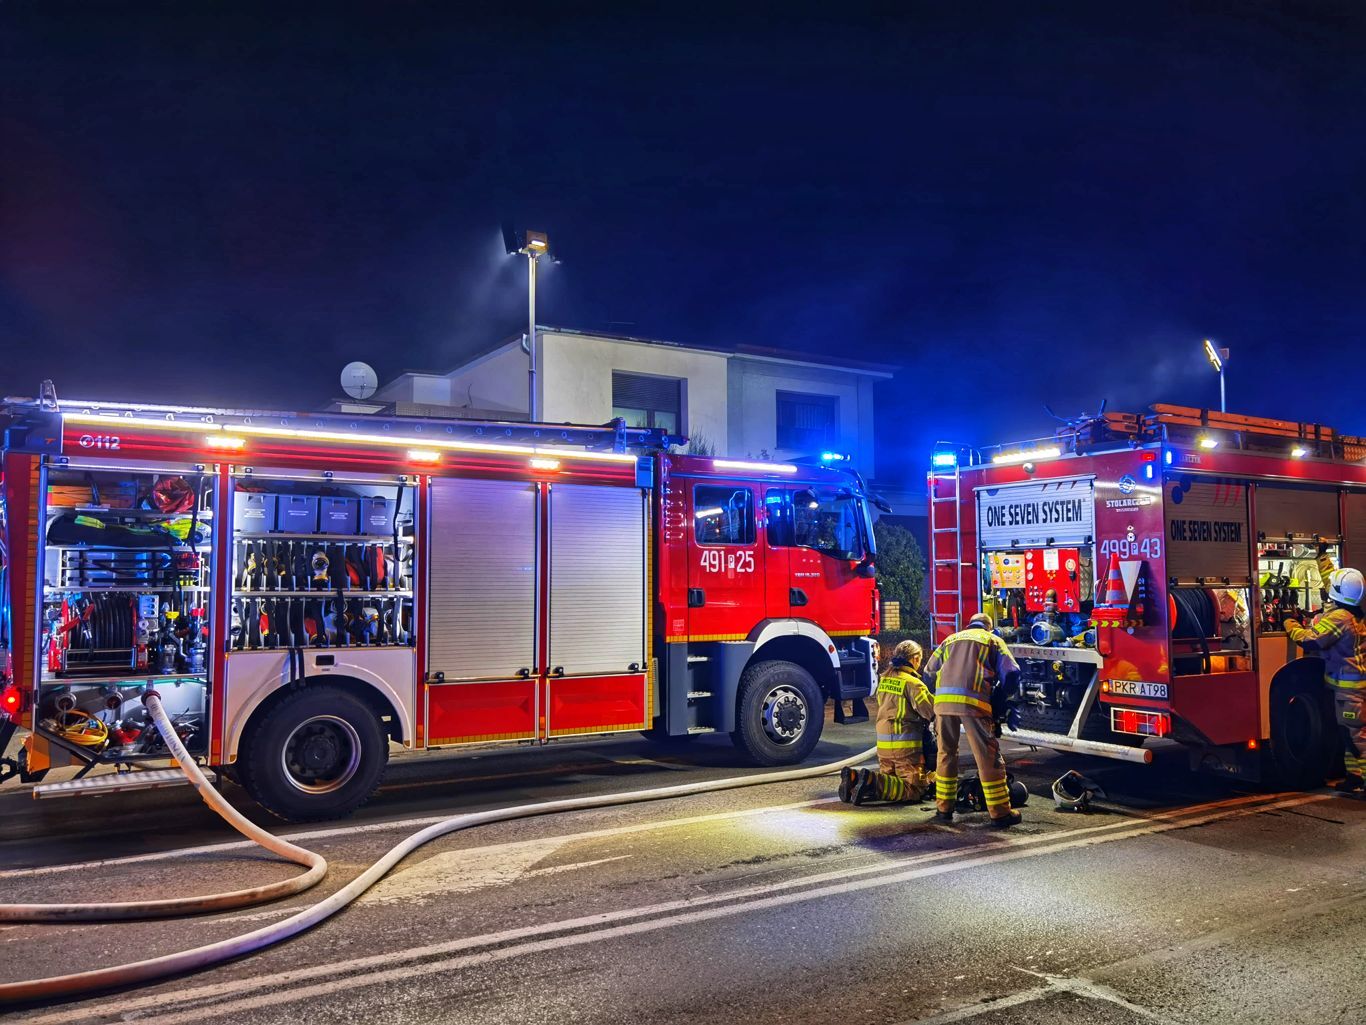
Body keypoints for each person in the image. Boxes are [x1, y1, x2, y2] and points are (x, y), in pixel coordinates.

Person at [925, 612, 1023, 827]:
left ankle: (944, 809)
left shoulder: (949, 639)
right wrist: (1001, 697)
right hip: (973, 704)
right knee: (987, 756)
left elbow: (928, 671)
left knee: (946, 754)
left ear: (969, 624)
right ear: (989, 626)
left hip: (943, 705)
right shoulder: (992, 640)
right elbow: (1013, 672)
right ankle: (1000, 813)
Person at [1283, 567, 1366, 793]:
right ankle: (1354, 778)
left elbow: (1311, 640)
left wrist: (1290, 624)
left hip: (1348, 691)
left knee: (1356, 738)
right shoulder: (1354, 614)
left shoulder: (1339, 618)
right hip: (1354, 687)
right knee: (1348, 735)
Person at [839, 640, 935, 804]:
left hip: (884, 747)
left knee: (892, 785)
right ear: (915, 658)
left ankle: (855, 779)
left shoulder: (884, 679)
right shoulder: (913, 684)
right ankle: (872, 781)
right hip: (906, 748)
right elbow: (930, 711)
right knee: (914, 789)